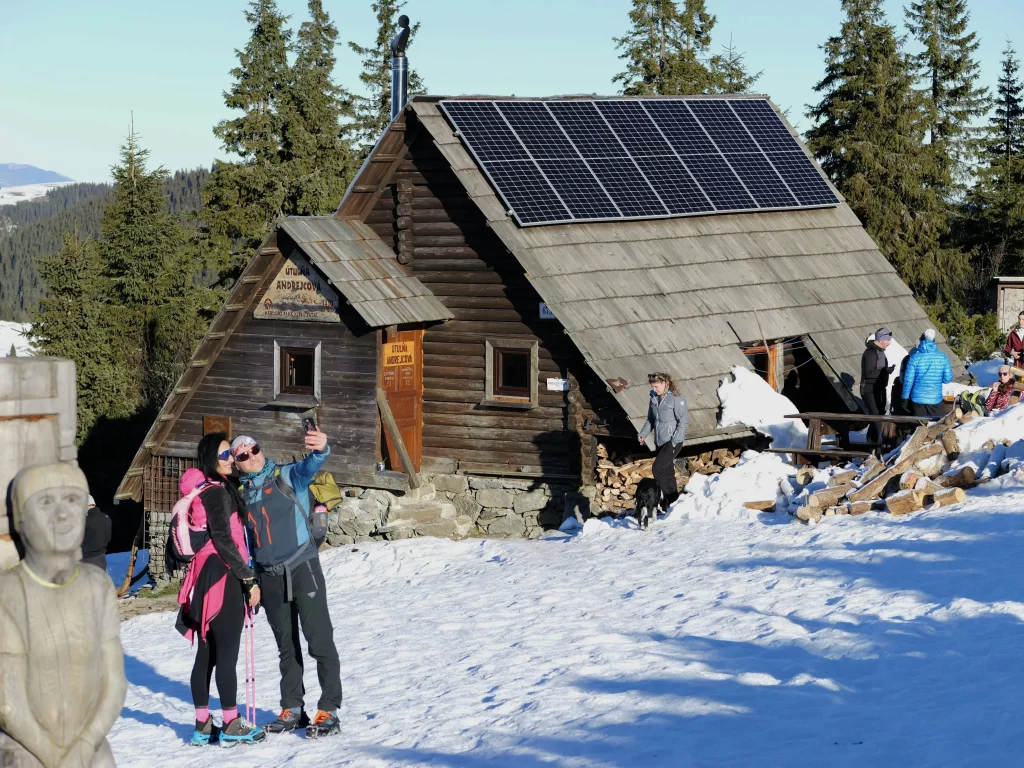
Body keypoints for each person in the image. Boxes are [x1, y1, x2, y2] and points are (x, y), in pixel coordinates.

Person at [232, 429, 342, 738]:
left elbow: (312, 464)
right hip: (269, 576)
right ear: (237, 464)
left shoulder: (288, 475)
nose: (251, 456)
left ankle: (329, 709)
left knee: (318, 639)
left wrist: (322, 449)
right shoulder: (242, 495)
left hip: (302, 565)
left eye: (253, 448)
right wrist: (250, 581)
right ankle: (293, 709)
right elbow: (246, 542)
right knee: (286, 646)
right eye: (243, 455)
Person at [177, 433, 265, 747]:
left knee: (208, 653)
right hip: (222, 577)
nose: (230, 459)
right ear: (210, 460)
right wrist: (248, 579)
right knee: (225, 654)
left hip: (202, 578)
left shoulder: (202, 490)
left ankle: (203, 724)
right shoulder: (216, 492)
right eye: (224, 454)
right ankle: (231, 723)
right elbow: (225, 541)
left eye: (230, 453)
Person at [637, 372, 689, 509]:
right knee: (667, 472)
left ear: (665, 383)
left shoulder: (676, 399)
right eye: (652, 387)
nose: (654, 390)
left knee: (657, 468)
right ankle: (672, 503)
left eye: (656, 387)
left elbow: (683, 422)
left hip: (673, 441)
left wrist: (675, 440)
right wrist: (643, 434)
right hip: (659, 441)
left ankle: (670, 498)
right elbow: (651, 420)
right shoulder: (654, 399)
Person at [901, 328, 954, 419]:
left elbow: (908, 381)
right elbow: (947, 379)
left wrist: (905, 399)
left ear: (921, 340)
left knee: (919, 427)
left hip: (917, 399)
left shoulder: (914, 358)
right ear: (934, 341)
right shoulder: (943, 357)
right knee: (938, 426)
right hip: (935, 399)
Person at [860, 328, 894, 443]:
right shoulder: (871, 353)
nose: (889, 343)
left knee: (879, 415)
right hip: (870, 389)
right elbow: (869, 372)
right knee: (876, 417)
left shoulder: (880, 352)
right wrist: (886, 371)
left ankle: (872, 443)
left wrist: (887, 371)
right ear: (881, 339)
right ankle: (876, 445)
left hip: (879, 388)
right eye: (888, 340)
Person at [82, 494, 112, 572]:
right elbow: (108, 538)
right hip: (101, 558)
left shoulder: (84, 521)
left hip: (86, 559)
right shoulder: (106, 517)